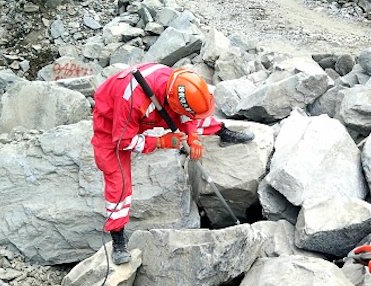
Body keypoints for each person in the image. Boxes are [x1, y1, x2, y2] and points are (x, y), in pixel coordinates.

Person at [91, 62, 254, 265]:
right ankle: (118, 238)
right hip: (114, 115)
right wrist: (160, 141)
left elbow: (187, 115)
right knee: (118, 181)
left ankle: (221, 131)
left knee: (195, 117)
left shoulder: (178, 83)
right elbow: (124, 142)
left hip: (156, 105)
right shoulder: (132, 101)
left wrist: (192, 135)